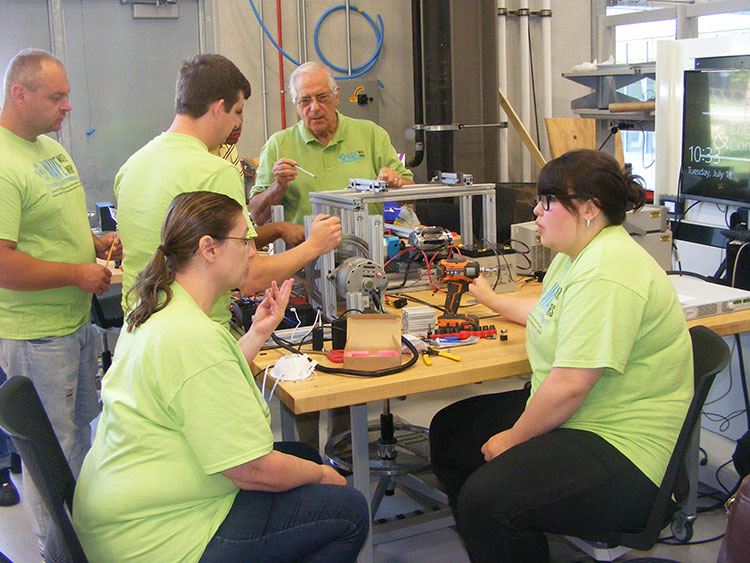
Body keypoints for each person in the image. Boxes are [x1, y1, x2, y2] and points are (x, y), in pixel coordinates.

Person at [73, 191, 369, 562]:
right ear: (208, 248)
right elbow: (251, 469)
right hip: (158, 539)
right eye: (244, 240)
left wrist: (259, 332)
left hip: (129, 507)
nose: (252, 250)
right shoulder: (191, 336)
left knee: (300, 455)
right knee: (349, 508)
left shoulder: (161, 306)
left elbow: (200, 380)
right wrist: (324, 475)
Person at [429, 149, 693, 562]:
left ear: (590, 208)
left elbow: (569, 387)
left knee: (487, 501)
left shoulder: (608, 270)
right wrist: (492, 300)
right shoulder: (576, 257)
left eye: (548, 201)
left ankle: (501, 525)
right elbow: (548, 313)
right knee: (451, 432)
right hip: (582, 416)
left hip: (622, 445)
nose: (536, 210)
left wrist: (513, 440)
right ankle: (507, 543)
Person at [115, 54, 341, 321]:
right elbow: (250, 276)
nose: (236, 124)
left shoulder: (131, 166)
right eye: (236, 112)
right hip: (195, 332)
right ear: (218, 108)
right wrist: (314, 245)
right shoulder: (215, 172)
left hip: (139, 326)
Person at [0, 48, 121, 541]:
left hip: (74, 327)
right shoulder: (4, 162)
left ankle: (85, 534)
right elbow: (3, 261)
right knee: (52, 453)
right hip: (36, 335)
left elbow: (56, 224)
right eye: (57, 97)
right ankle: (60, 550)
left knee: (82, 436)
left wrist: (95, 244)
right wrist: (76, 272)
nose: (67, 106)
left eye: (68, 94)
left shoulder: (50, 150)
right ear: (19, 93)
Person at [248, 61, 414, 226]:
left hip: (366, 248)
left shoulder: (372, 135)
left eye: (322, 97)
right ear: (295, 105)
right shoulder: (277, 145)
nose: (314, 107)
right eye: (305, 100)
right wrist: (279, 186)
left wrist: (394, 182)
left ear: (336, 96)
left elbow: (410, 194)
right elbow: (258, 217)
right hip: (304, 250)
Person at [210, 117, 306, 248]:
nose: (238, 124)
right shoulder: (209, 164)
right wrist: (279, 229)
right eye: (232, 112)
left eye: (240, 112)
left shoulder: (228, 147)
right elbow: (232, 242)